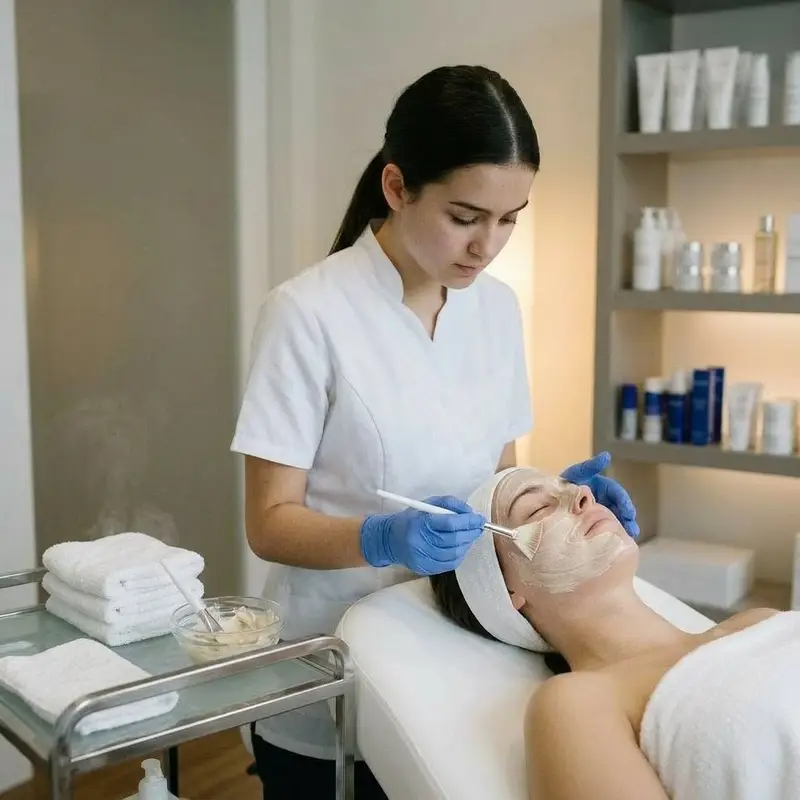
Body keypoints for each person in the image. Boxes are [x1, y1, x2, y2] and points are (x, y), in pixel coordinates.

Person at [231, 64, 638, 800]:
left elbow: (497, 479)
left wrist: (560, 501)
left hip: (456, 659)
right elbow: (269, 522)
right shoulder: (306, 314)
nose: (488, 245)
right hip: (329, 664)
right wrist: (380, 539)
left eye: (510, 218)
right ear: (397, 187)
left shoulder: (497, 309)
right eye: (465, 216)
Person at [430, 466, 798, 800]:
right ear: (504, 592)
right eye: (538, 509)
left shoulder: (758, 621)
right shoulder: (577, 706)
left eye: (568, 487)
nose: (583, 494)